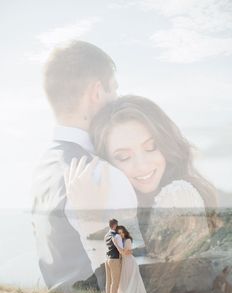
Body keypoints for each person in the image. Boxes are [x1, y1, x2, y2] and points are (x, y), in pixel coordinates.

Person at [31, 41, 139, 293]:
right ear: (97, 92)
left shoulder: (43, 169)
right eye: (114, 90)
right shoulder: (102, 176)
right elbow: (131, 287)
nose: (117, 99)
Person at [88, 95, 217, 260]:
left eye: (151, 147)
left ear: (166, 143)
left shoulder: (178, 198)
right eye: (124, 157)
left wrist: (90, 223)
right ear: (108, 164)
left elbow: (154, 284)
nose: (141, 165)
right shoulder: (128, 208)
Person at [106, 225, 155, 293]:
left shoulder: (127, 240)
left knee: (131, 282)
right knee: (126, 283)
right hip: (125, 263)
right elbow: (125, 252)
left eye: (122, 232)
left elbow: (124, 252)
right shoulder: (122, 240)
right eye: (119, 233)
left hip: (129, 263)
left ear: (125, 232)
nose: (121, 234)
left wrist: (116, 244)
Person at [104, 219, 131, 293]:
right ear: (115, 225)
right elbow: (121, 251)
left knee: (108, 282)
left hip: (107, 260)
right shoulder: (117, 236)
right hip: (115, 260)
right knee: (115, 282)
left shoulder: (106, 235)